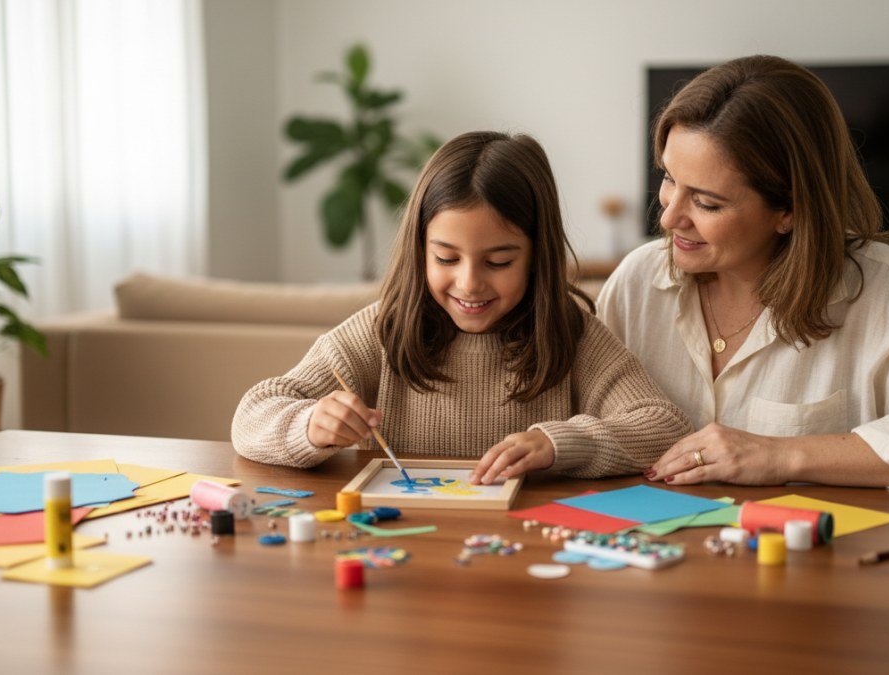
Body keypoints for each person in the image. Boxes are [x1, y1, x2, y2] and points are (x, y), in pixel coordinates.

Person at [598, 55, 889, 493]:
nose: (668, 217)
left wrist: (782, 455)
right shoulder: (637, 283)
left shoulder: (878, 291)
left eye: (707, 203)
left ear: (789, 210)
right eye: (669, 179)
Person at [233, 131, 690, 482]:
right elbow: (251, 417)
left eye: (499, 261)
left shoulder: (572, 335)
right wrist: (310, 425)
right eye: (446, 259)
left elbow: (663, 426)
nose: (469, 283)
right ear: (420, 250)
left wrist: (558, 444)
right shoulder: (381, 331)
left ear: (537, 256)